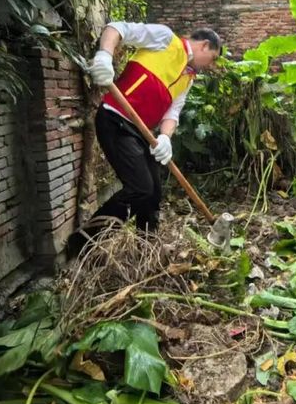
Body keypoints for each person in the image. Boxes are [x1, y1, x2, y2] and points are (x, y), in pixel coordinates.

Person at [70, 22, 221, 252]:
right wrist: (104, 56)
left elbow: (173, 112)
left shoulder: (188, 78)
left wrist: (166, 138)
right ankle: (82, 244)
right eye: (213, 58)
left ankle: (146, 248)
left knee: (153, 194)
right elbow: (116, 28)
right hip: (115, 119)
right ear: (204, 45)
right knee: (140, 187)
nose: (211, 66)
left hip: (140, 132)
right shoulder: (166, 39)